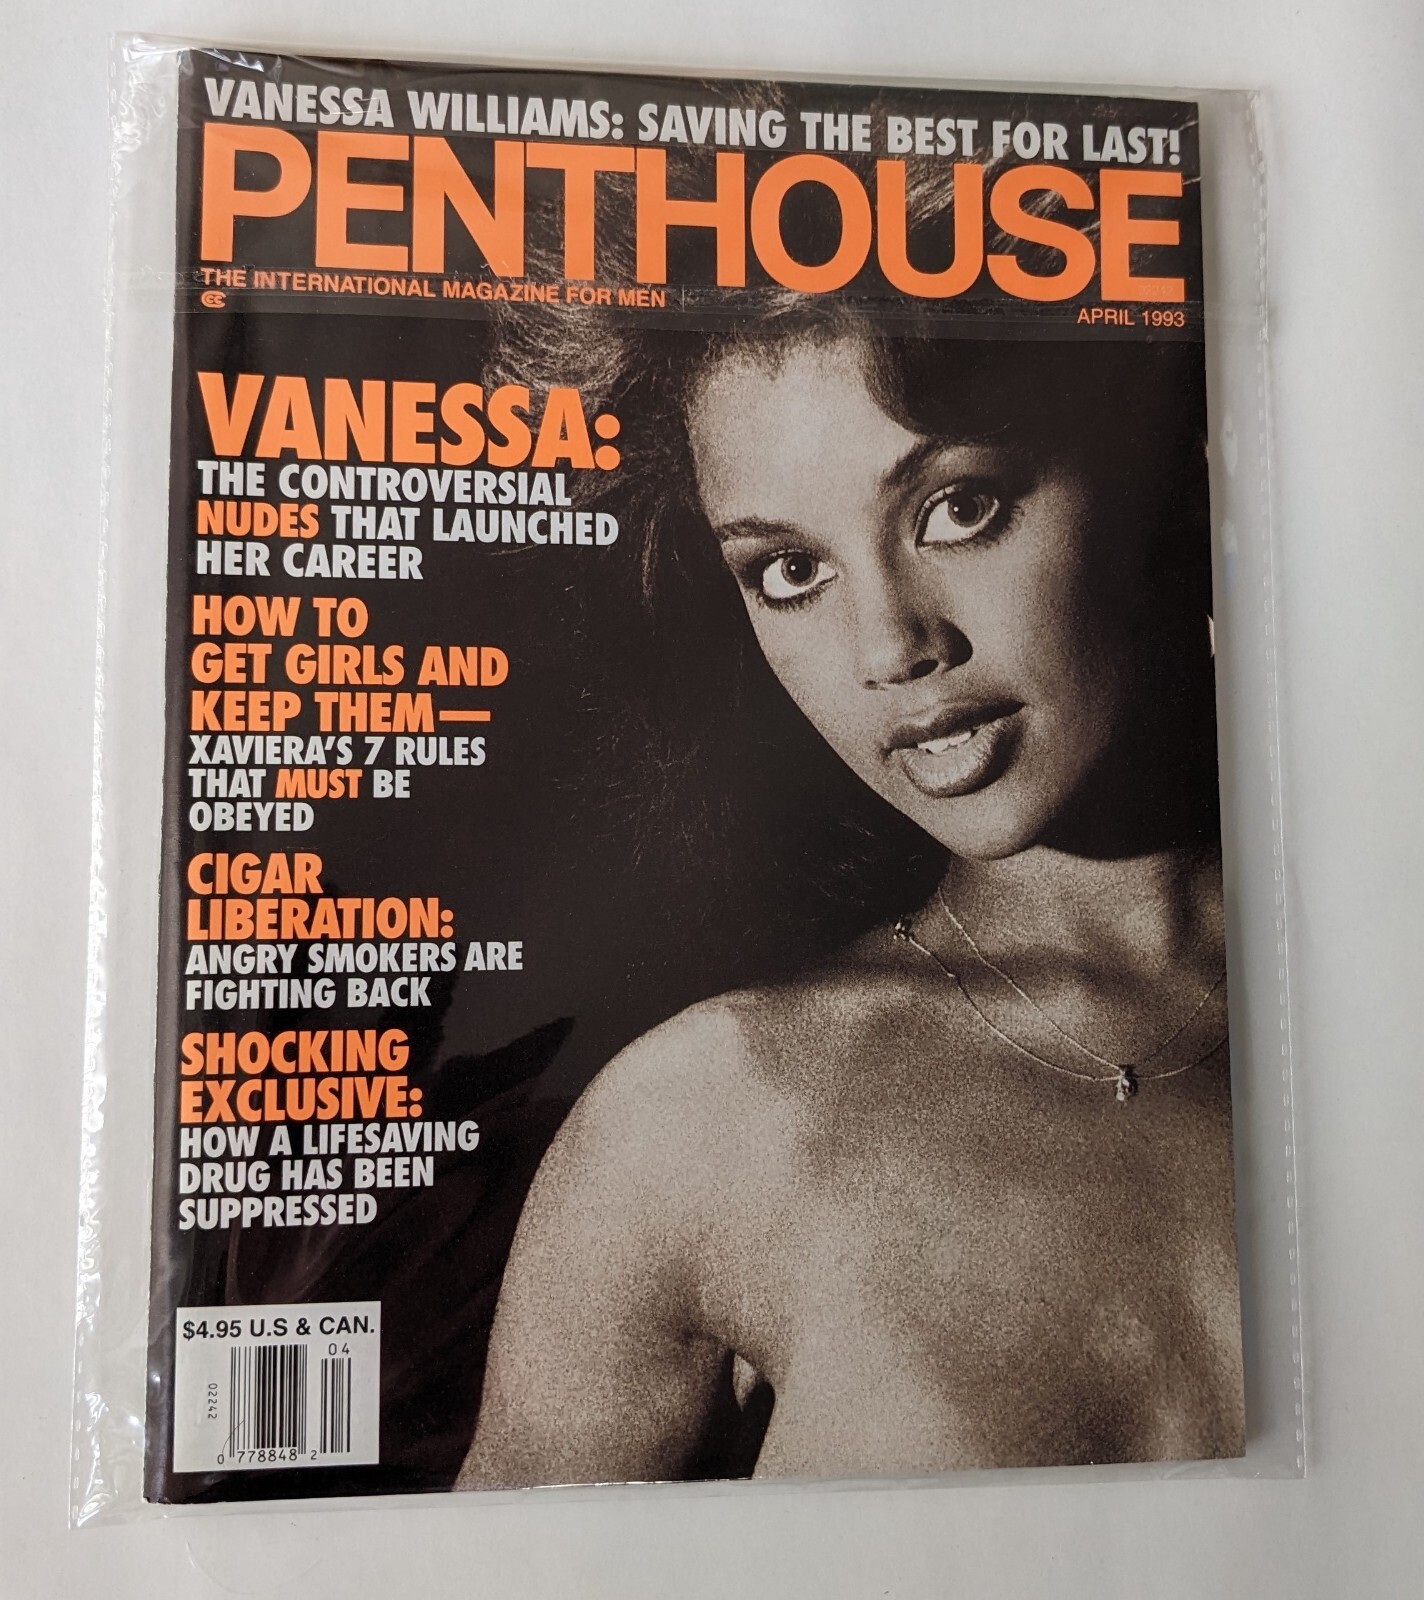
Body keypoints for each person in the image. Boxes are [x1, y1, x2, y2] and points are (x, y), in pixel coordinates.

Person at [459, 266, 1245, 1483]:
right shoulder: (704, 1118)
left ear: (1172, 475)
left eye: (958, 507)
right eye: (789, 569)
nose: (888, 646)